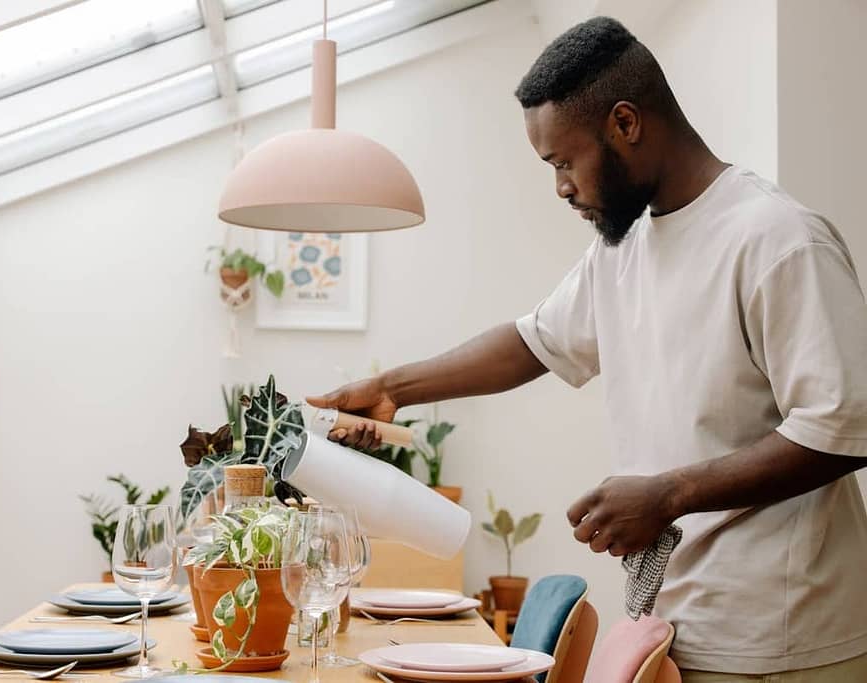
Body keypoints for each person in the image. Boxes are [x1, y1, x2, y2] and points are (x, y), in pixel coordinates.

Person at [306, 16, 867, 682]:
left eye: (564, 161)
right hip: (677, 621)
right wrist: (394, 387)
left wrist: (668, 494)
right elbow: (530, 341)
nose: (561, 187)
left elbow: (842, 429)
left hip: (783, 636)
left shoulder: (777, 239)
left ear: (625, 124)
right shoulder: (622, 248)